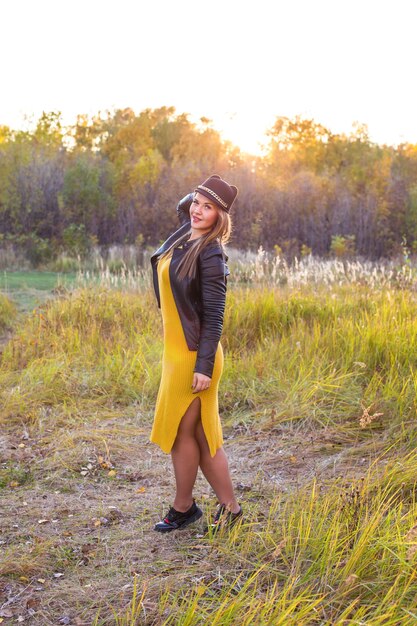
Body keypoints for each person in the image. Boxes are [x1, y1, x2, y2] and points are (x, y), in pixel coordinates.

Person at [150, 175, 242, 533]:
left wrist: (203, 365)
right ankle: (224, 509)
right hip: (175, 353)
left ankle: (185, 506)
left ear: (221, 217)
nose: (197, 211)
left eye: (208, 207)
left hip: (195, 357)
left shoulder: (211, 252)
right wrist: (202, 195)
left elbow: (215, 315)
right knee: (197, 436)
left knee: (185, 433)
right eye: (196, 203)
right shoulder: (185, 235)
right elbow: (184, 207)